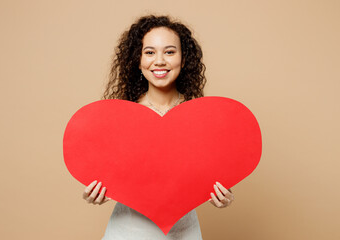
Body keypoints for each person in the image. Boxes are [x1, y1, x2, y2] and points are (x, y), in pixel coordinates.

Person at [82, 15, 235, 239]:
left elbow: (210, 175)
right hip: (128, 231)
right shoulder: (120, 118)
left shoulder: (200, 119)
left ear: (184, 60)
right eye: (150, 52)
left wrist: (223, 195)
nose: (160, 61)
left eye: (170, 52)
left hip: (184, 232)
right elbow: (105, 172)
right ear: (138, 59)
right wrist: (95, 192)